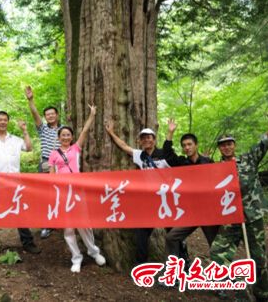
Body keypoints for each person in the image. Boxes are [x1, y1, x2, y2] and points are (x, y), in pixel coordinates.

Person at [105, 119, 190, 265]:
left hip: (167, 199)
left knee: (173, 233)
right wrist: (111, 133)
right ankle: (141, 265)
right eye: (143, 138)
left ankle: (183, 262)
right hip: (150, 201)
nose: (146, 140)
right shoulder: (140, 155)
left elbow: (182, 166)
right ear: (140, 142)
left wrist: (170, 132)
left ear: (154, 140)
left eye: (149, 137)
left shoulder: (164, 154)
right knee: (141, 231)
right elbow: (124, 147)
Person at [210, 133, 268, 302]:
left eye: (229, 144)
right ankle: (235, 288)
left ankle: (262, 294)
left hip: (252, 217)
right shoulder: (215, 168)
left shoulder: (248, 159)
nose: (226, 147)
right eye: (222, 145)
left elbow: (263, 144)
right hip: (230, 218)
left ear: (234, 145)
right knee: (217, 253)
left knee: (259, 258)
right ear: (219, 148)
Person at [48, 105, 106, 273]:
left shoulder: (75, 148)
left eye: (68, 135)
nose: (65, 137)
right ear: (59, 137)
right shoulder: (53, 154)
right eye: (63, 135)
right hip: (63, 192)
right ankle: (76, 258)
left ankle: (94, 251)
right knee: (68, 227)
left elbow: (85, 131)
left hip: (78, 190)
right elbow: (51, 175)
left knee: (84, 223)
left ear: (72, 137)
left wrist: (92, 114)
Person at [0, 111, 40, 254]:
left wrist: (24, 131)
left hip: (14, 184)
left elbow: (29, 148)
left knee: (20, 213)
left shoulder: (15, 139)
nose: (3, 122)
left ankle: (28, 243)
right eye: (0, 120)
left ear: (8, 122)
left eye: (5, 120)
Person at [162, 120, 219, 259]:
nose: (187, 147)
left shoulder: (208, 162)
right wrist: (170, 133)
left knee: (216, 245)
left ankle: (224, 275)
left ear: (196, 145)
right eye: (184, 145)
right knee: (171, 237)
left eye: (189, 144)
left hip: (208, 212)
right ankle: (175, 270)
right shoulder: (182, 163)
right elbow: (167, 155)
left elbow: (219, 181)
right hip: (190, 212)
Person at [25, 85, 60, 239]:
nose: (50, 116)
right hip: (47, 163)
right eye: (47, 115)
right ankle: (46, 225)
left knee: (61, 194)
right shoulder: (43, 129)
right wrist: (31, 100)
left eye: (52, 114)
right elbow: (35, 114)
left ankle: (60, 220)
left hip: (62, 165)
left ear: (57, 115)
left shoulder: (64, 130)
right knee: (46, 195)